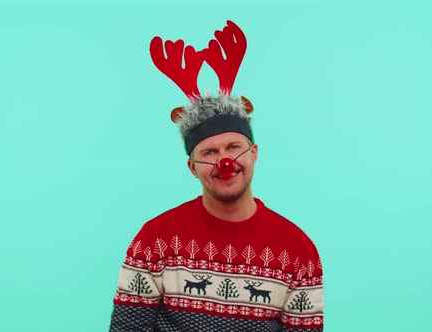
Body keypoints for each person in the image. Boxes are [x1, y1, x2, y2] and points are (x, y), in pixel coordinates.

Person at [109, 21, 324, 332]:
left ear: (254, 153)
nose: (225, 161)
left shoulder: (298, 252)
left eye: (233, 146)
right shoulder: (154, 241)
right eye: (209, 152)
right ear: (192, 167)